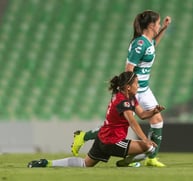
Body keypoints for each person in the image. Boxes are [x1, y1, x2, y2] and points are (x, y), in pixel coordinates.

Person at [71, 10, 171, 167]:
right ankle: (85, 137)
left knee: (157, 119)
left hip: (144, 89)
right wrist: (129, 92)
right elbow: (129, 68)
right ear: (151, 25)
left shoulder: (147, 42)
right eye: (158, 24)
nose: (159, 25)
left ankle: (151, 157)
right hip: (135, 90)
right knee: (120, 124)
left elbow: (153, 47)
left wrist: (164, 28)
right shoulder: (139, 44)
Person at [28, 71, 165, 168]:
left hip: (102, 138)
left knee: (85, 164)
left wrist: (153, 111)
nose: (138, 85)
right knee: (150, 148)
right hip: (113, 141)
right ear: (128, 87)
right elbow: (133, 122)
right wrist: (145, 139)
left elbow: (142, 115)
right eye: (136, 83)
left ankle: (47, 163)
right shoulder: (123, 102)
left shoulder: (128, 97)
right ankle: (125, 163)